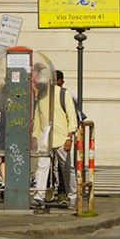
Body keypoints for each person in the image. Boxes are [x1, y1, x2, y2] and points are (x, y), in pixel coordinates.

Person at [35, 71, 80, 211]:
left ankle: (72, 196)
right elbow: (37, 117)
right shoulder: (41, 95)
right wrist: (36, 135)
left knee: (67, 168)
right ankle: (39, 196)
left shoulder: (63, 94)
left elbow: (71, 116)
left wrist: (69, 136)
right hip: (45, 138)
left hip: (61, 137)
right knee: (42, 167)